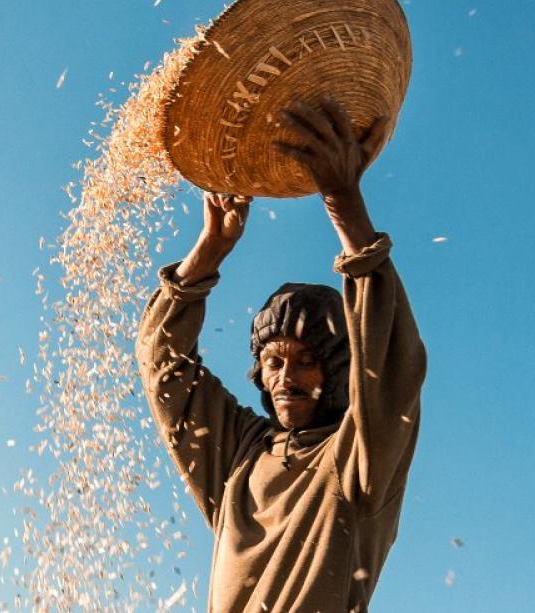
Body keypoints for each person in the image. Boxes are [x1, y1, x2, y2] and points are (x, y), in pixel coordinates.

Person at [135, 98, 427, 613]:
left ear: (337, 372)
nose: (286, 377)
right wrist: (208, 252)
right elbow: (163, 365)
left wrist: (344, 203)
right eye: (274, 362)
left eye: (306, 361)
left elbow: (391, 372)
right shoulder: (239, 456)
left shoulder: (356, 459)